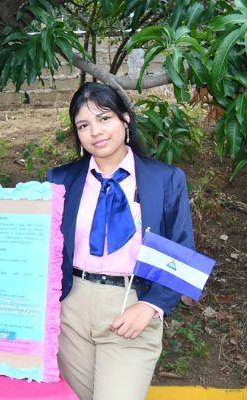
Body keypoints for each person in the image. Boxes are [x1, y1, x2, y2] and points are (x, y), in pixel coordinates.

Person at [47, 82, 194, 400]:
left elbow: (182, 251)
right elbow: (41, 246)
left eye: (104, 118)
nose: (95, 132)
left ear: (125, 119)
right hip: (70, 309)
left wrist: (152, 305)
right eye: (83, 125)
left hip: (131, 307)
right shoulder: (61, 180)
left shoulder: (164, 179)